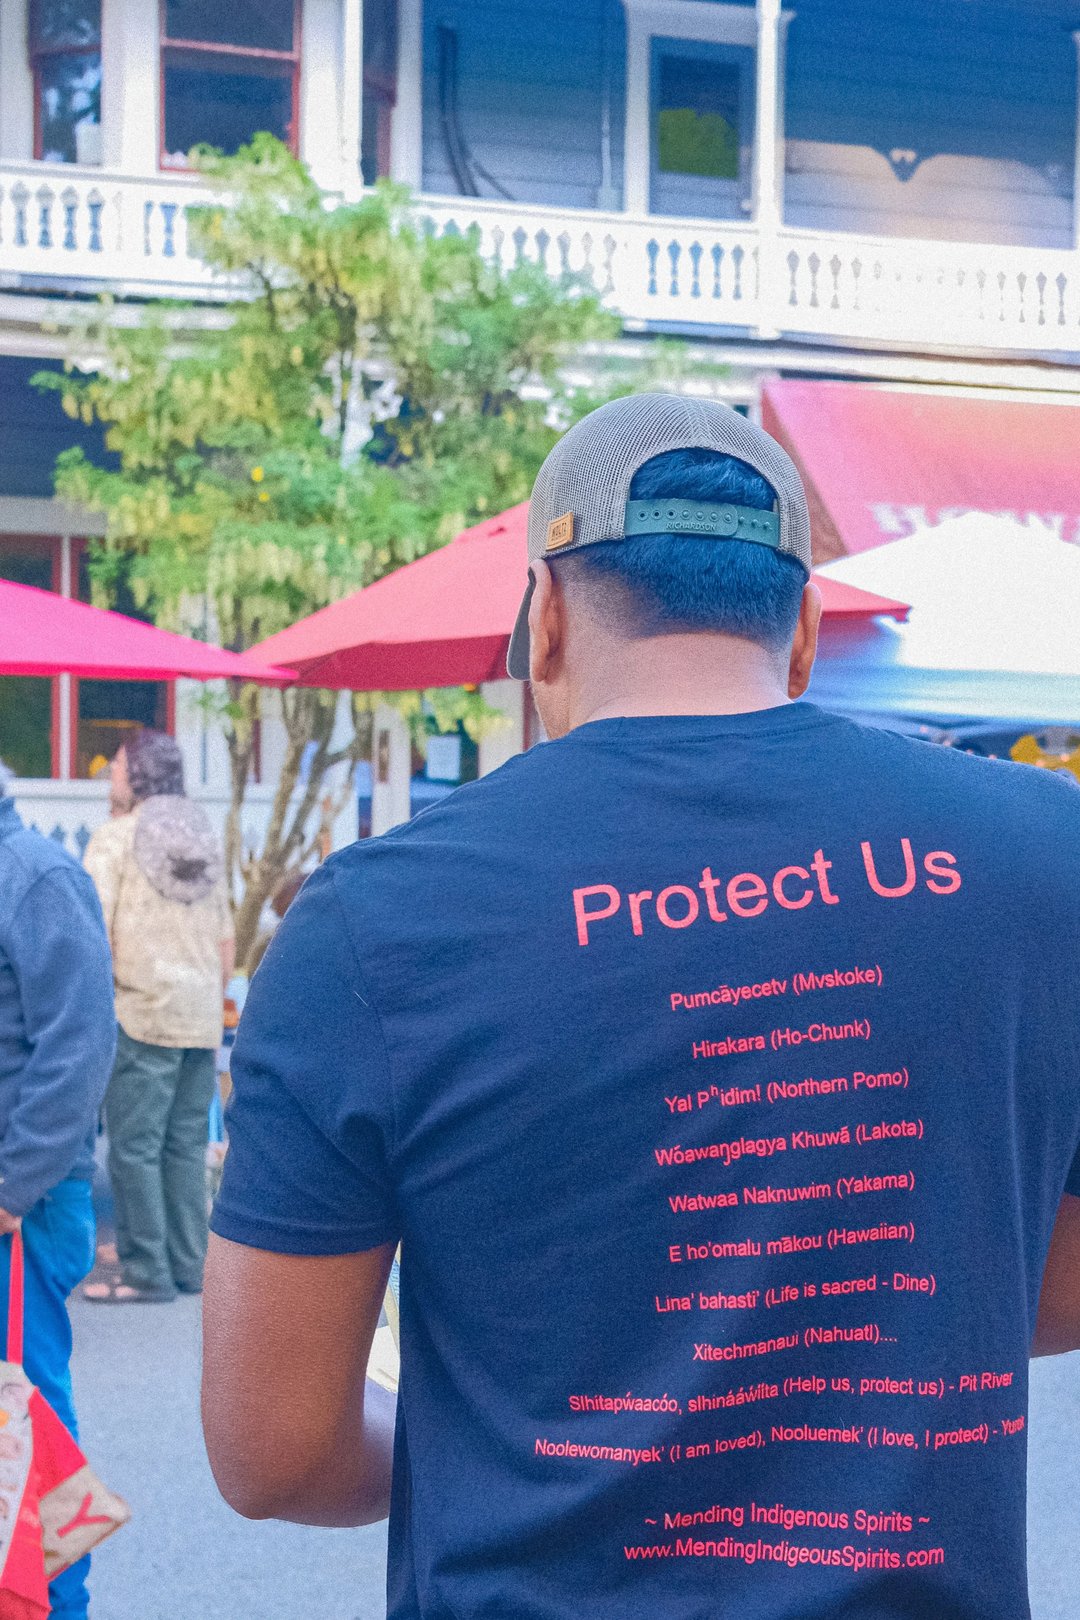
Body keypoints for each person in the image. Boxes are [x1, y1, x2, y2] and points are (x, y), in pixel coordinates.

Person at [201, 395, 1080, 1620]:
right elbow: (1056, 1284)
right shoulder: (1047, 855)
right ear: (807, 630)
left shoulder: (375, 923)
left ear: (543, 621)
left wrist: (522, 1450)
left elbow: (274, 1448)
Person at [0, 761, 116, 1618]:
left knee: (28, 1422)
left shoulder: (36, 875)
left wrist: (11, 1186)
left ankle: (56, 1600)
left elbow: (79, 1048)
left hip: (22, 1206)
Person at [84, 729, 234, 1304]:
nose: (111, 777)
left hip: (142, 1008)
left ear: (138, 774)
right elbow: (225, 941)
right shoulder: (201, 839)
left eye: (118, 767)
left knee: (134, 1146)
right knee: (183, 1144)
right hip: (199, 1016)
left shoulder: (116, 840)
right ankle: (188, 1264)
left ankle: (145, 1269)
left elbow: (93, 930)